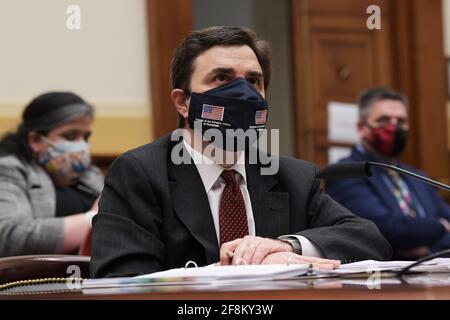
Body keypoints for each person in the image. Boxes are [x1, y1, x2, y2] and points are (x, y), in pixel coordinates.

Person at [90, 26, 392, 278]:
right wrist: (238, 272)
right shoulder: (140, 173)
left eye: (253, 81)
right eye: (221, 78)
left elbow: (369, 240)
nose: (242, 94)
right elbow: (122, 282)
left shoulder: (293, 176)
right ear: (183, 102)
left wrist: (288, 249)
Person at [326, 87, 450, 259]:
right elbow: (383, 228)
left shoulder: (417, 176)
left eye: (400, 121)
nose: (393, 127)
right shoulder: (346, 172)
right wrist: (440, 226)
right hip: (379, 279)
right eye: (383, 120)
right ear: (362, 127)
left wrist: (430, 251)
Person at [0, 92, 104, 257]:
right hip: (39, 278)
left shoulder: (91, 174)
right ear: (35, 140)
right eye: (70, 136)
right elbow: (10, 236)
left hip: (98, 276)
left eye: (86, 137)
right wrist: (92, 220)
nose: (81, 145)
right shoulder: (10, 169)